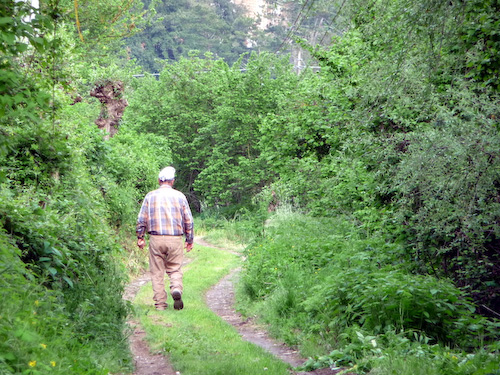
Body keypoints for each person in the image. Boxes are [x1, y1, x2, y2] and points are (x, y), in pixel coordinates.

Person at [136, 166, 194, 310]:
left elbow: (142, 218)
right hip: (175, 238)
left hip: (156, 238)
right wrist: (189, 239)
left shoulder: (150, 196)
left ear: (159, 181)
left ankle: (160, 304)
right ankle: (176, 288)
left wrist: (140, 237)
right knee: (175, 268)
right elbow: (188, 220)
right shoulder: (180, 196)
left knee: (157, 272)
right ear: (172, 181)